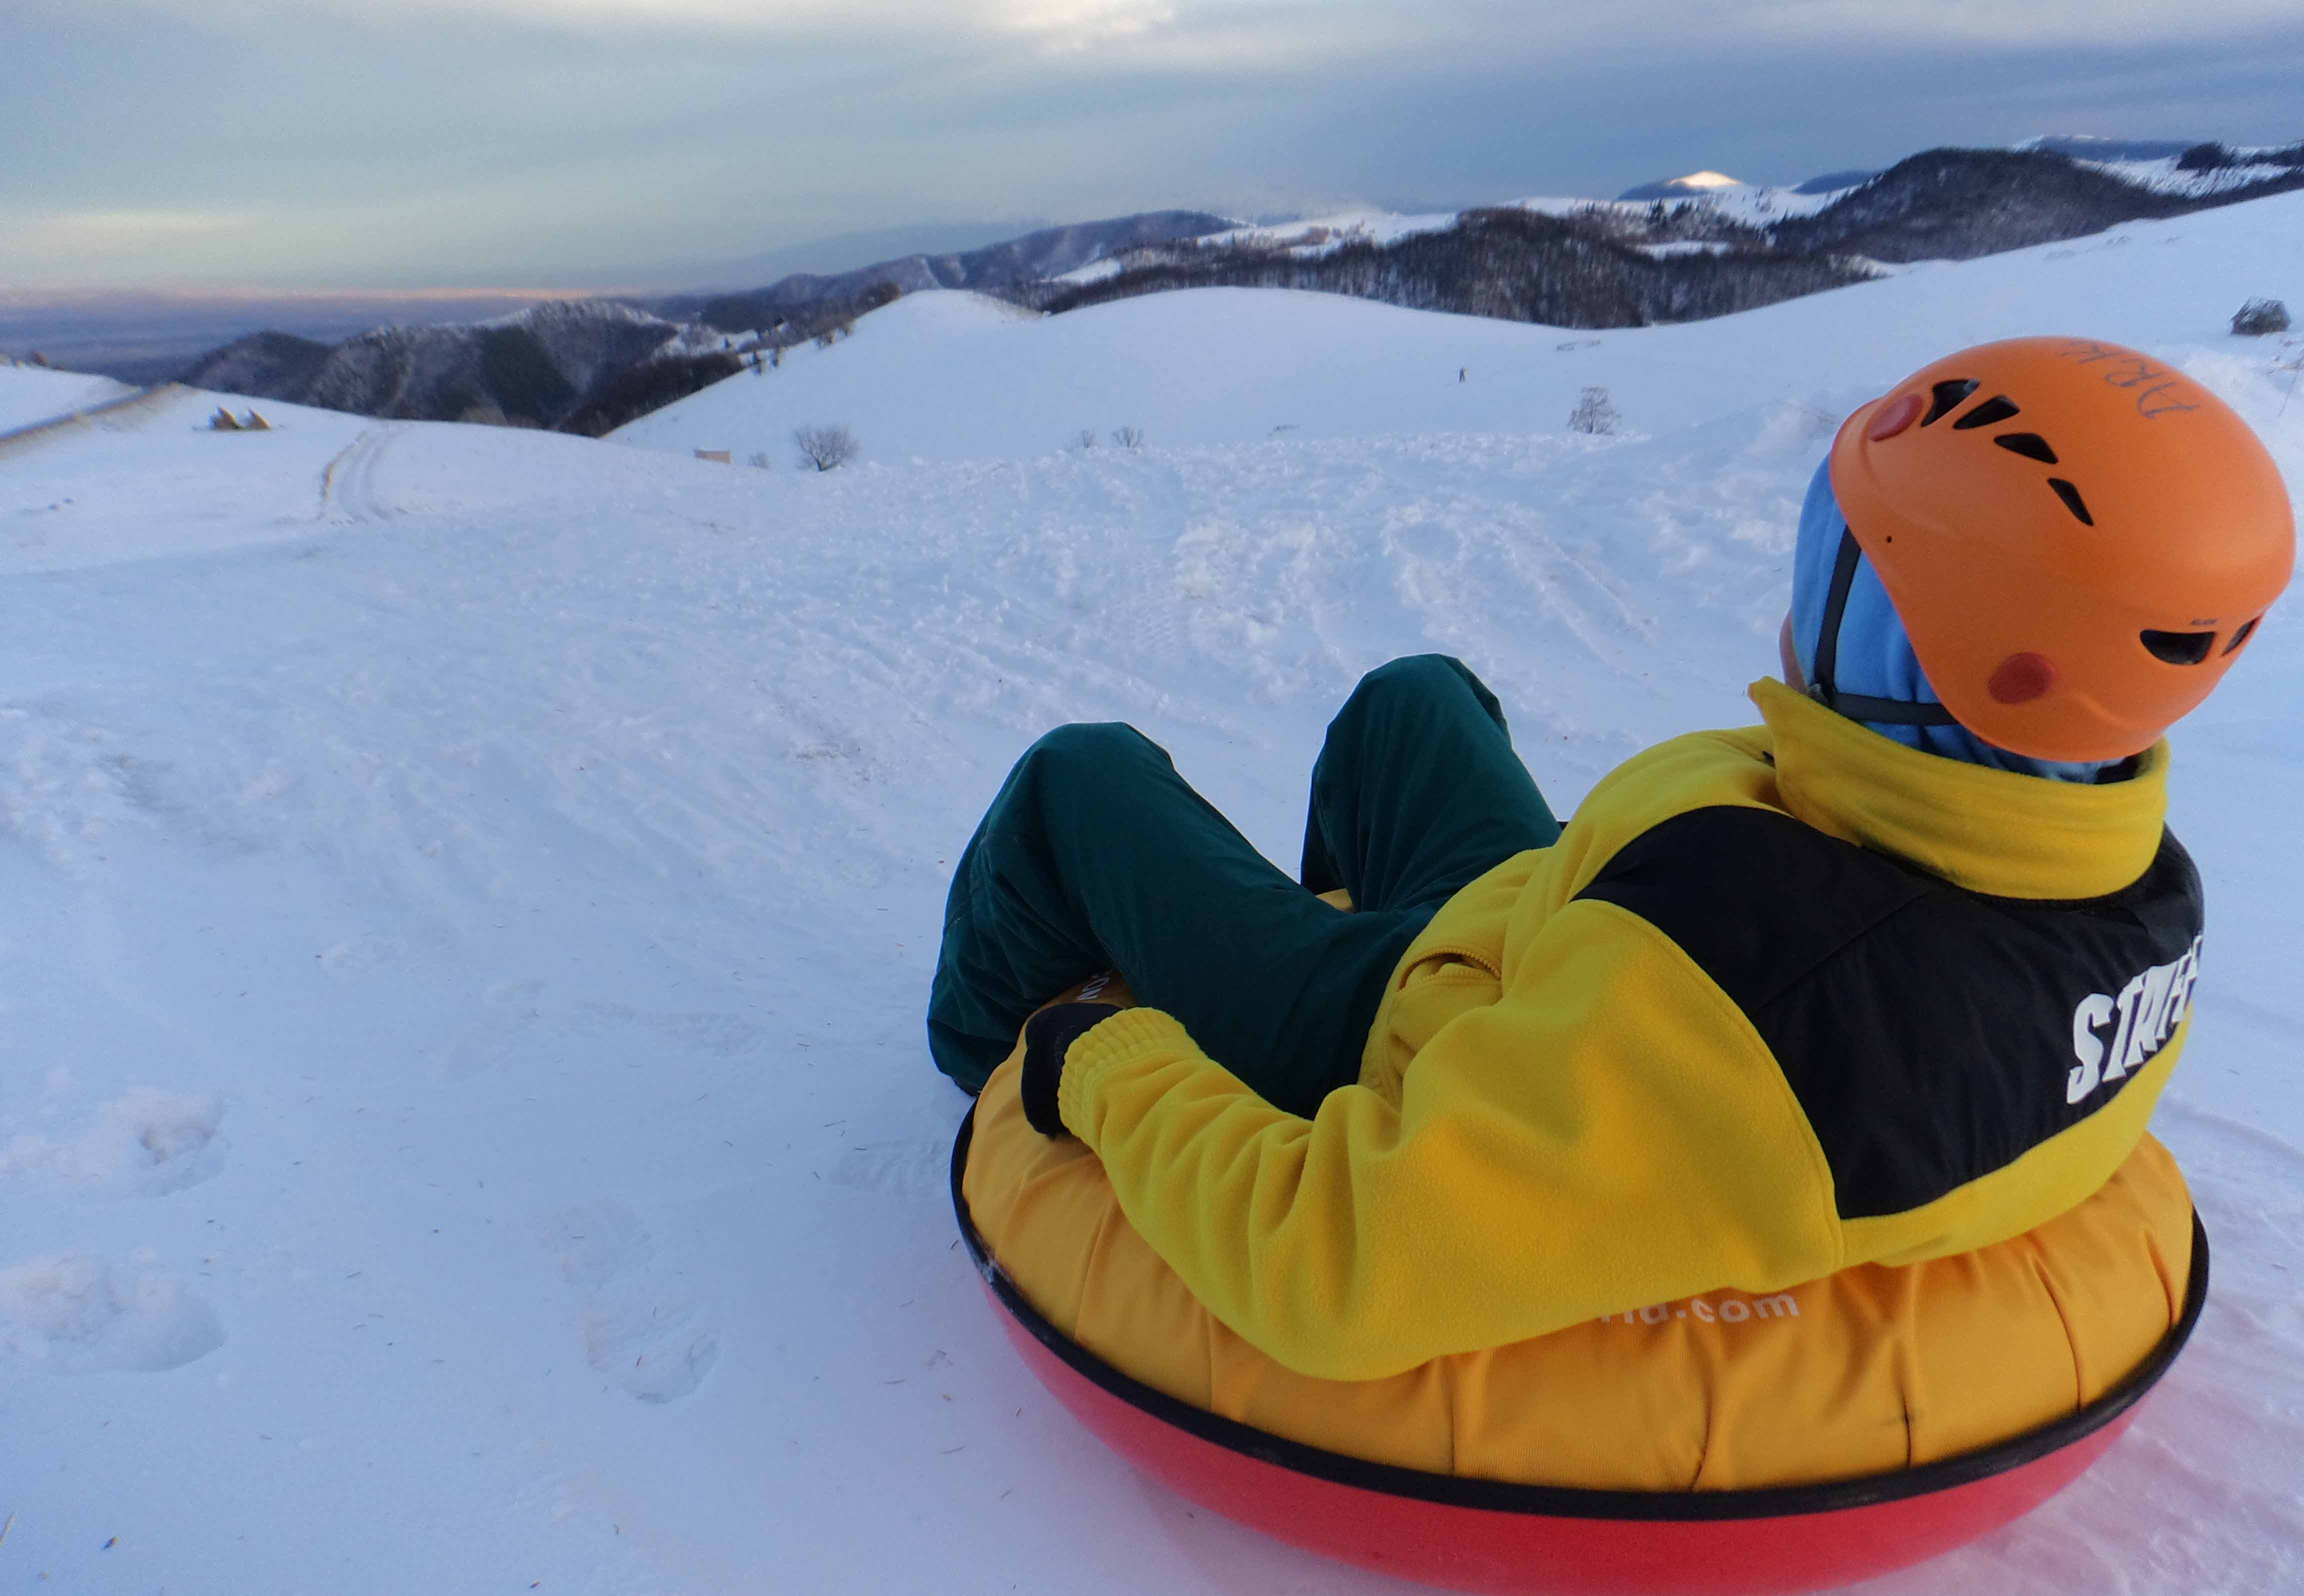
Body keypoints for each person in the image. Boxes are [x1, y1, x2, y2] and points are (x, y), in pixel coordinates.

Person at [926, 336, 2294, 1382]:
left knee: (1082, 779)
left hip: (1405, 1039)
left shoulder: (1760, 1025)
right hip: (1536, 943)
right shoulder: (2105, 865)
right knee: (1417, 696)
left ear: (1938, 649)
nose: (1793, 596)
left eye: (1841, 566)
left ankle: (983, 1047)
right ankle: (1292, 934)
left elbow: (1333, 1272)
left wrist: (1095, 1063)